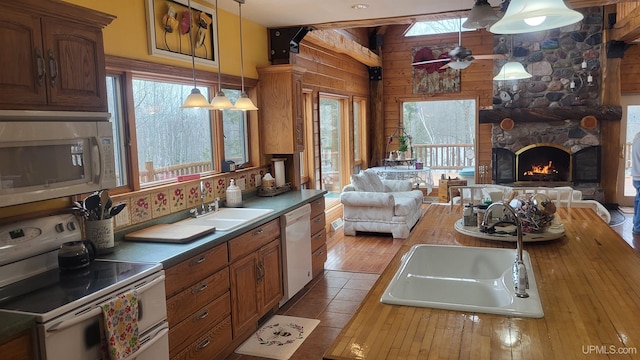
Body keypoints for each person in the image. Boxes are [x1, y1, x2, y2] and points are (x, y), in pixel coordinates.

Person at [632, 131, 640, 234]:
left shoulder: (636, 139)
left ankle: (636, 225)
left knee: (638, 200)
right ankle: (638, 227)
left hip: (636, 176)